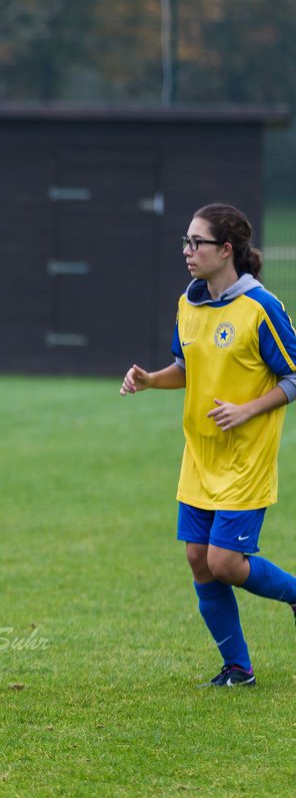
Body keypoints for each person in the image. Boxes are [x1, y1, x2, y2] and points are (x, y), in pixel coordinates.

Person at [121, 203, 296, 687]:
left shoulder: (261, 308)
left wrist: (248, 409)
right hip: (199, 457)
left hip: (244, 460)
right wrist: (151, 380)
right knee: (198, 560)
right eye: (185, 241)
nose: (187, 250)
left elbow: (293, 375)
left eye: (197, 242)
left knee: (224, 562)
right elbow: (188, 368)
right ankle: (238, 669)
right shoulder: (190, 303)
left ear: (226, 250)